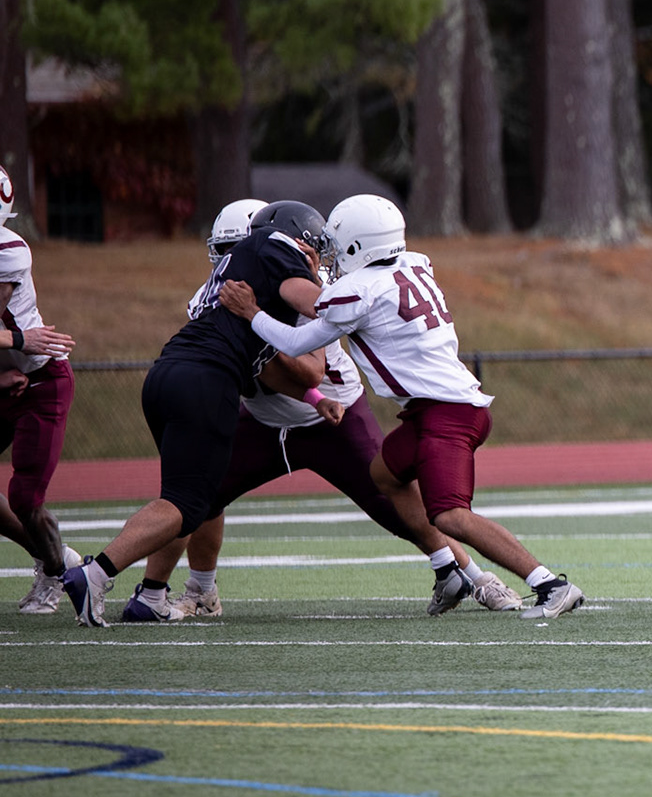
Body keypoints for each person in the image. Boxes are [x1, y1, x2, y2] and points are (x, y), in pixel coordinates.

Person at [122, 199, 522, 622]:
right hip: (264, 422)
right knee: (197, 494)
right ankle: (188, 590)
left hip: (332, 419)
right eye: (224, 251)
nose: (228, 262)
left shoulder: (306, 291)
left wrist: (253, 333)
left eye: (239, 248)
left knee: (399, 501)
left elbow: (311, 373)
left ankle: (476, 577)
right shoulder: (219, 294)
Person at [216, 195, 584, 619]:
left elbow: (298, 341)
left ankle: (549, 584)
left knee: (451, 517)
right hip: (433, 409)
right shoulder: (414, 263)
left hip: (448, 413)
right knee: (383, 474)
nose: (332, 254)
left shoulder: (359, 291)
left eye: (337, 245)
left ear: (357, 245)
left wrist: (251, 311)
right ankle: (448, 569)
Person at [62, 201, 335, 626]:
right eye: (314, 246)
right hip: (206, 382)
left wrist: (317, 399)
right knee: (186, 504)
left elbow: (264, 366)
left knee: (187, 496)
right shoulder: (273, 243)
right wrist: (320, 278)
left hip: (170, 374)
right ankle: (94, 575)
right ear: (295, 236)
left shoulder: (235, 276)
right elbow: (325, 307)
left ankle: (151, 597)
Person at [0, 168, 82, 613]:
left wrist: (15, 343)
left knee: (25, 497)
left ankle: (57, 575)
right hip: (6, 376)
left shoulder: (8, 249)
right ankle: (53, 557)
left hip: (41, 380)